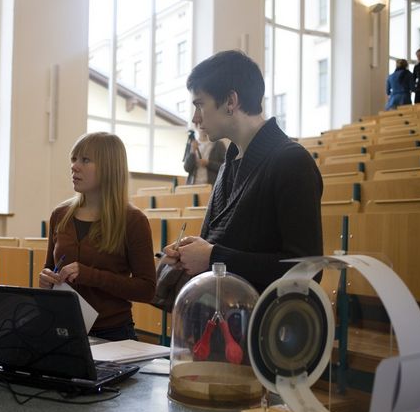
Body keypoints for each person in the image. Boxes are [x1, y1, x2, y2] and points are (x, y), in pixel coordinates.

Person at [161, 50, 322, 293]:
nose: (195, 118)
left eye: (200, 105)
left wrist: (213, 256)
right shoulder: (229, 163)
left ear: (231, 101)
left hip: (264, 321)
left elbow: (308, 268)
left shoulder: (292, 161)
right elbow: (221, 245)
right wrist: (193, 253)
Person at [38, 132, 156, 341]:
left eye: (85, 160)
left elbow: (146, 289)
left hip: (114, 335)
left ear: (109, 167)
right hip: (65, 329)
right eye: (74, 159)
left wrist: (90, 275)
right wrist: (46, 279)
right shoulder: (60, 214)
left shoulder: (133, 220)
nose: (74, 166)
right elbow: (49, 268)